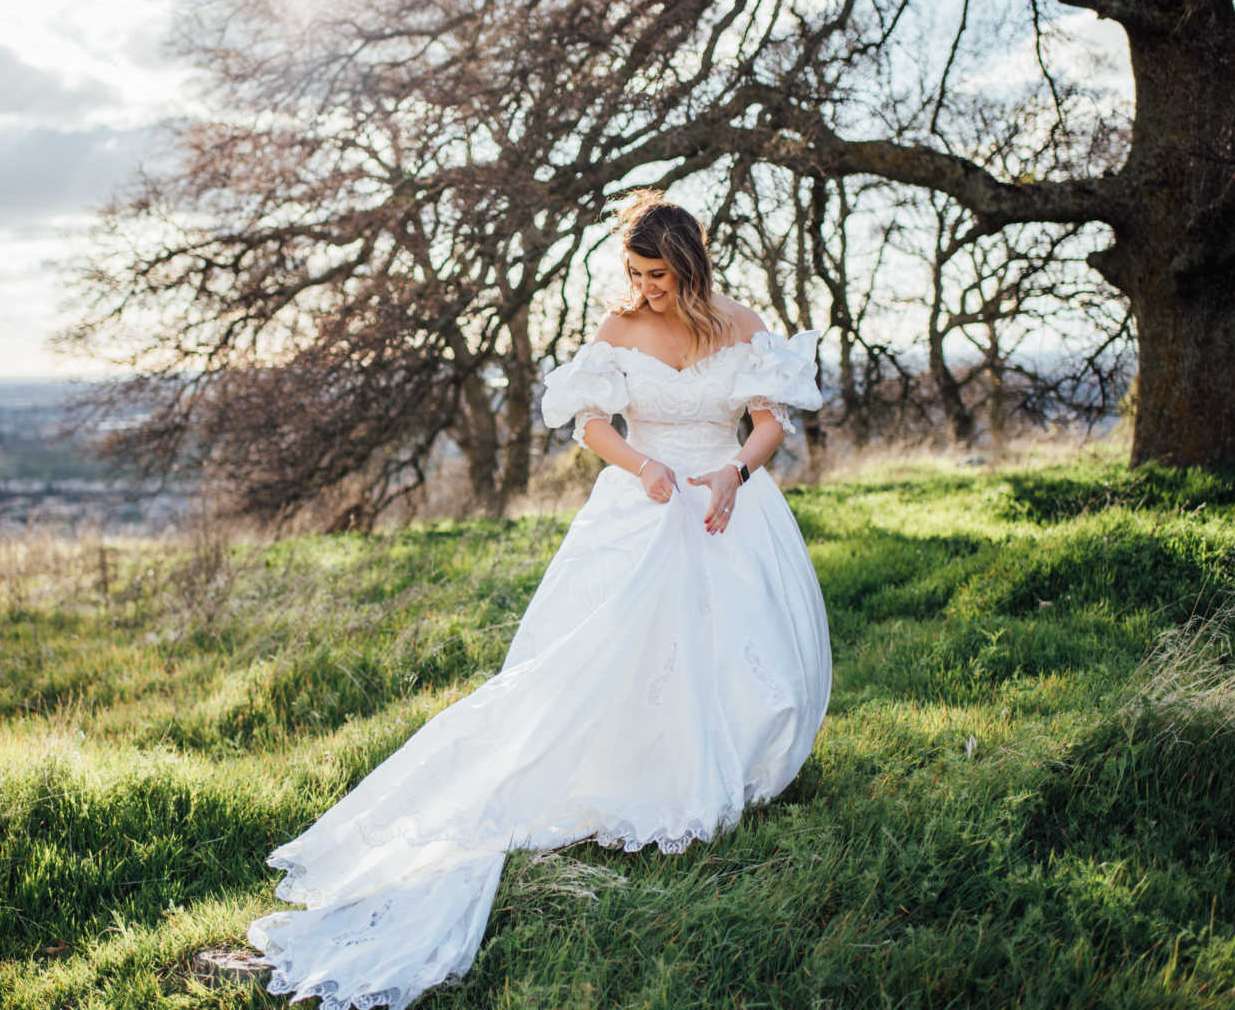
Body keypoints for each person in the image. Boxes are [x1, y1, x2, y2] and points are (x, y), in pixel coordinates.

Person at [245, 190, 831, 1010]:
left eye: (659, 277)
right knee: (605, 655)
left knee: (738, 647)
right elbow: (592, 425)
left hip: (725, 500)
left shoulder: (741, 324)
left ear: (691, 268)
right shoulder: (619, 328)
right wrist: (642, 465)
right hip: (643, 500)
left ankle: (734, 767)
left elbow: (767, 422)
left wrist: (733, 471)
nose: (645, 289)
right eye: (634, 273)